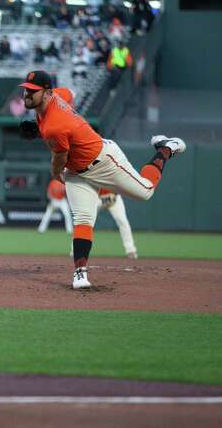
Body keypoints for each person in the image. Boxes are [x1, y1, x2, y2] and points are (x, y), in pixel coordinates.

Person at [18, 70, 185, 289]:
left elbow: (59, 160)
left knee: (146, 191)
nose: (26, 95)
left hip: (103, 162)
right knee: (83, 219)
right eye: (25, 90)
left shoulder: (54, 125)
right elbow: (69, 93)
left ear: (47, 93)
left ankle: (165, 148)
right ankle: (80, 273)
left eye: (32, 91)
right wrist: (46, 126)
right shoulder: (55, 98)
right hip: (78, 172)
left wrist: (54, 167)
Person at [97, 189, 138, 259]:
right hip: (95, 197)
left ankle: (130, 250)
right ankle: (76, 251)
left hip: (112, 196)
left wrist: (115, 194)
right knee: (85, 221)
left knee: (123, 222)